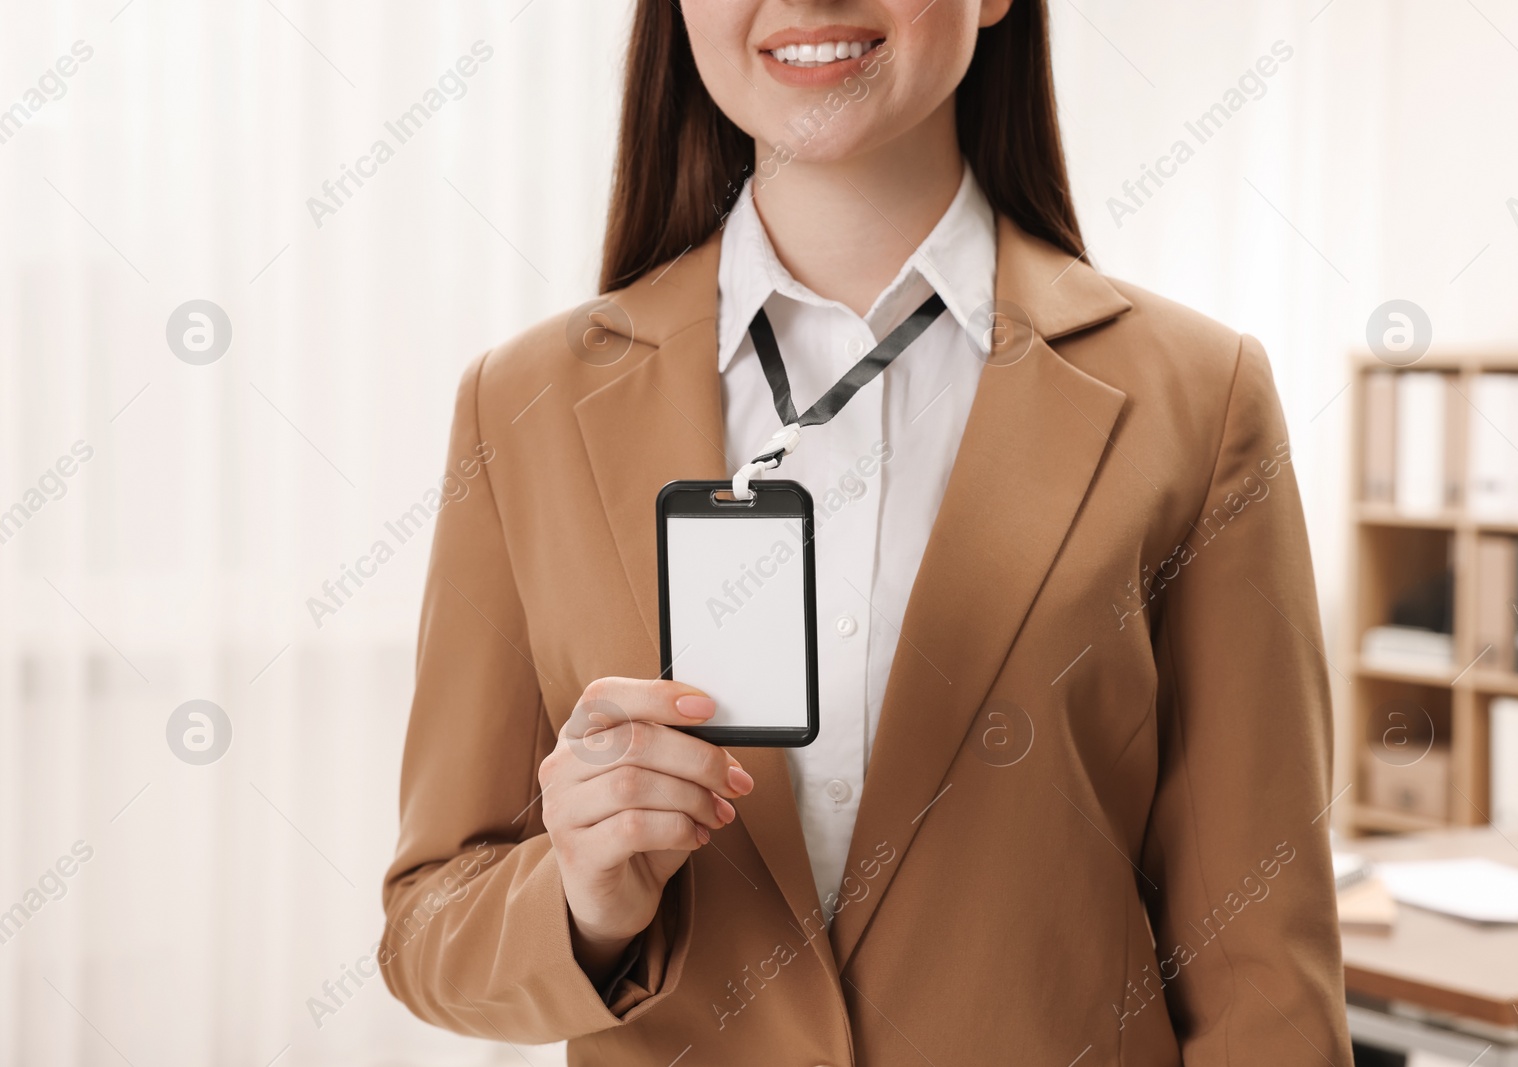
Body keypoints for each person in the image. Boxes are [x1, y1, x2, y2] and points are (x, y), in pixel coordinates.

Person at [381, 2, 1354, 1063]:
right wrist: (583, 894)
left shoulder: (1199, 400)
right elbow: (430, 929)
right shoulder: (521, 404)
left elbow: (1267, 983)